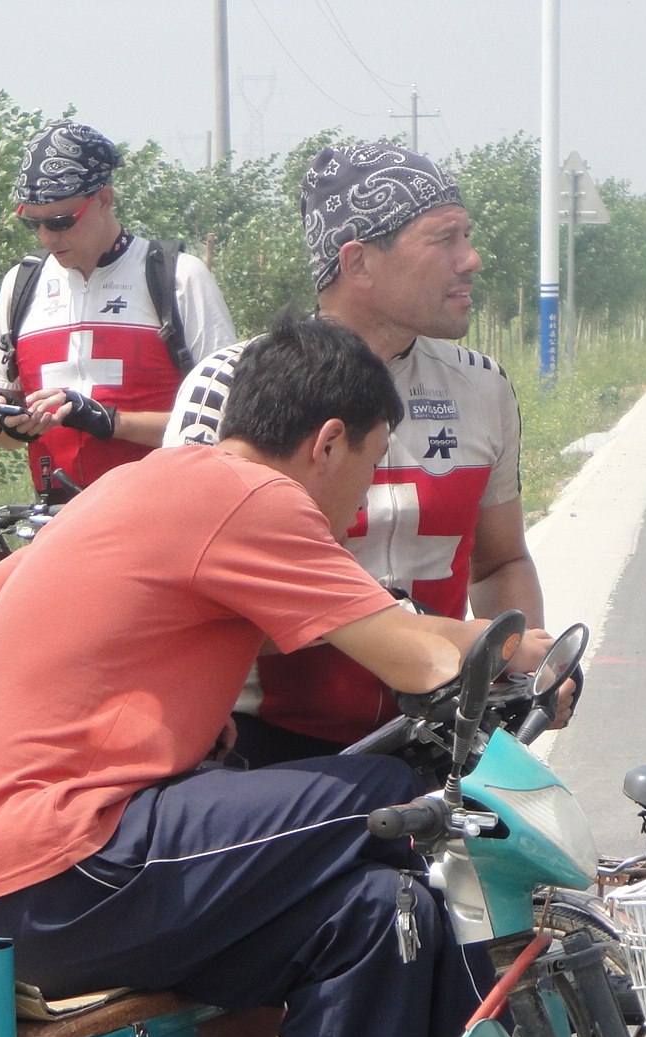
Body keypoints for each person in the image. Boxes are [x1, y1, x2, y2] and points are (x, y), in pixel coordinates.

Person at [0, 314, 543, 1037]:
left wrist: (150, 687)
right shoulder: (249, 499)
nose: (364, 498)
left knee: (378, 916)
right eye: (371, 463)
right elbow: (416, 660)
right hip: (69, 862)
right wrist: (523, 653)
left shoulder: (149, 484)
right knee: (398, 804)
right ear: (326, 442)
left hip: (46, 876)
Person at [162, 143, 547, 769]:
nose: (471, 259)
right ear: (358, 262)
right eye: (445, 238)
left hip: (441, 734)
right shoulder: (228, 384)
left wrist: (521, 675)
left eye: (468, 236)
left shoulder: (482, 385)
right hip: (267, 750)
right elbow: (193, 597)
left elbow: (500, 560)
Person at [0, 121, 236, 493]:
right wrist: (11, 425)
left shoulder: (178, 278)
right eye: (33, 224)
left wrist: (112, 422)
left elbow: (229, 423)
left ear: (105, 199)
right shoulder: (20, 284)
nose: (47, 237)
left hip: (161, 511)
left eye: (60, 222)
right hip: (58, 516)